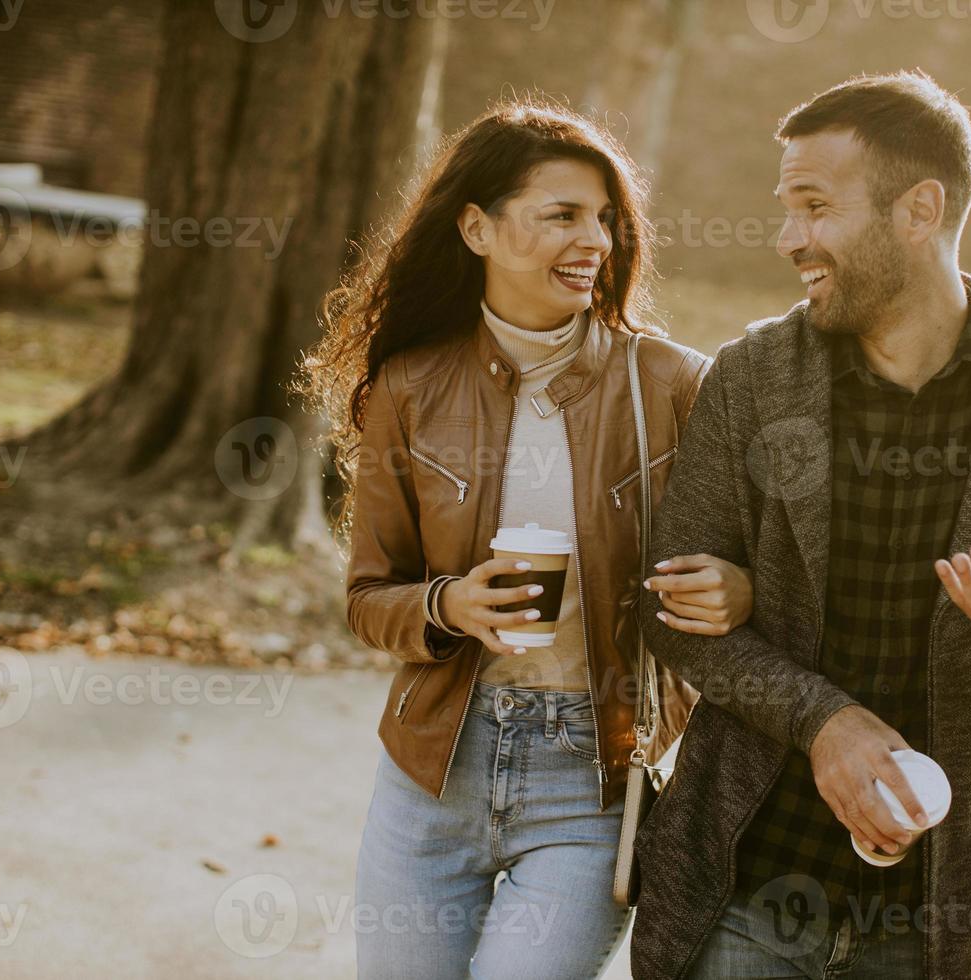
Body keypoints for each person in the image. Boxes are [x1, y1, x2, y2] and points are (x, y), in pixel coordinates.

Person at [630, 70, 971, 979]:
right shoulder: (752, 375)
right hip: (742, 887)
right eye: (787, 209)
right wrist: (825, 722)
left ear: (920, 210)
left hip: (927, 909)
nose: (791, 240)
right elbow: (668, 612)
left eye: (816, 207)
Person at [301, 98, 754, 979]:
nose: (597, 241)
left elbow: (753, 558)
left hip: (591, 778)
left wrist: (740, 588)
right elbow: (366, 599)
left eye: (606, 219)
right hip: (431, 773)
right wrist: (447, 604)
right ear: (477, 227)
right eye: (563, 216)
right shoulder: (412, 387)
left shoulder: (670, 385)